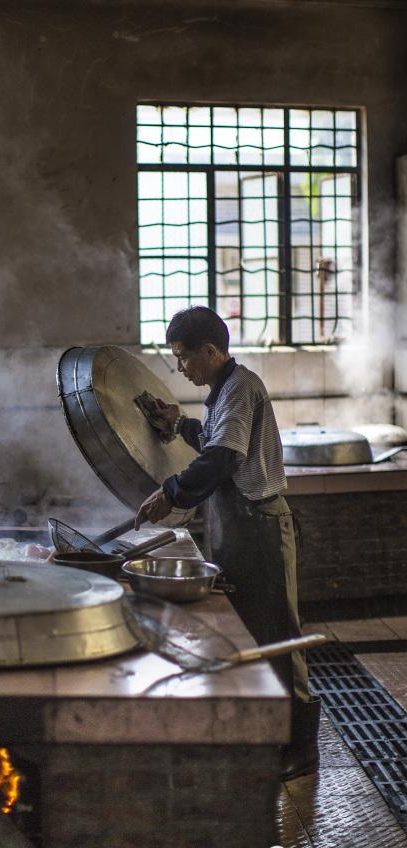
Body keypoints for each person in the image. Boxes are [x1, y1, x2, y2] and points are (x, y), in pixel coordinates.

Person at [135, 306, 320, 780]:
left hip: (257, 523)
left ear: (212, 351)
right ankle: (264, 731)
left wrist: (170, 492)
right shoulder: (222, 390)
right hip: (234, 521)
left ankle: (301, 748)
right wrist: (178, 424)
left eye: (184, 358)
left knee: (278, 633)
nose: (180, 368)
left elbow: (221, 460)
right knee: (248, 631)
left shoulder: (240, 388)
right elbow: (215, 441)